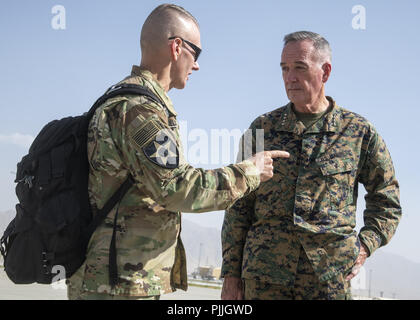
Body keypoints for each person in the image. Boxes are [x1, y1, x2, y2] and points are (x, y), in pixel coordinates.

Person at [66, 4, 289, 300]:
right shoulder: (140, 111)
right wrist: (249, 171)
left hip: (112, 279)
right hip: (119, 285)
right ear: (177, 47)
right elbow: (178, 187)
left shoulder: (126, 99)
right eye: (196, 54)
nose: (196, 65)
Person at [221, 31, 402, 300]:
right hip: (263, 278)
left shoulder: (358, 133)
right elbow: (239, 205)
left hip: (327, 279)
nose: (289, 77)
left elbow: (387, 201)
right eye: (284, 68)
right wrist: (231, 274)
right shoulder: (261, 129)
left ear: (325, 71)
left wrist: (364, 246)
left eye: (299, 68)